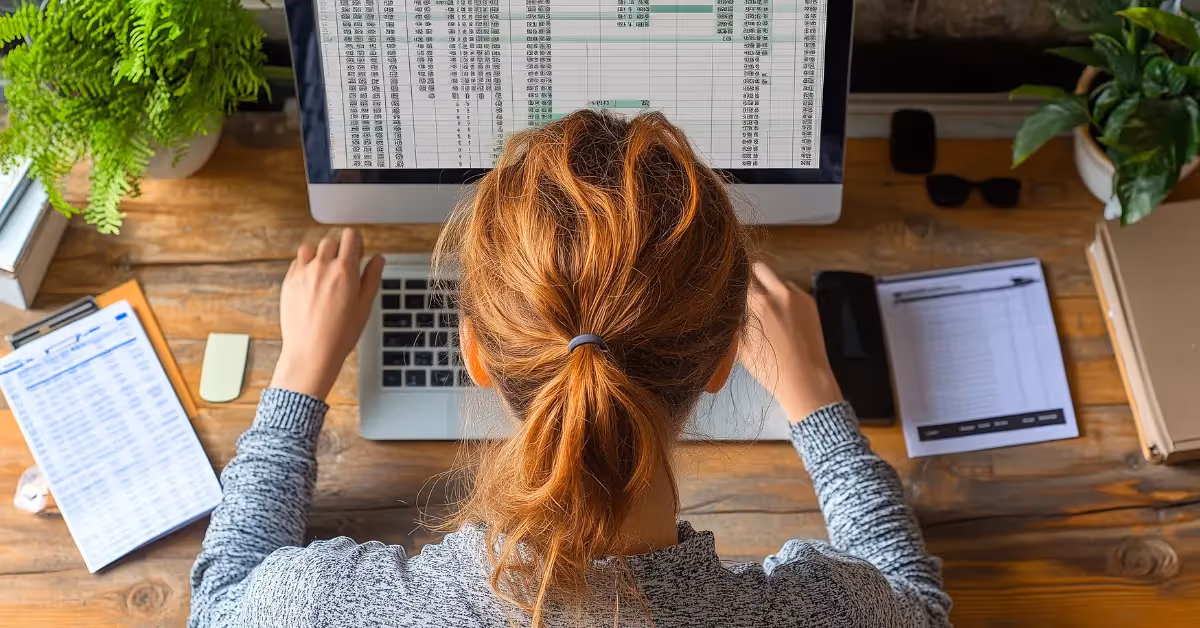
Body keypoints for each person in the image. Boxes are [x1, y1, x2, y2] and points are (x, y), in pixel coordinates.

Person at [188, 111, 951, 627]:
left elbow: (220, 599)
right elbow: (918, 605)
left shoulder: (321, 606)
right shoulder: (823, 611)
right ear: (727, 359)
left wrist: (298, 377)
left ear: (474, 353)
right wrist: (817, 402)